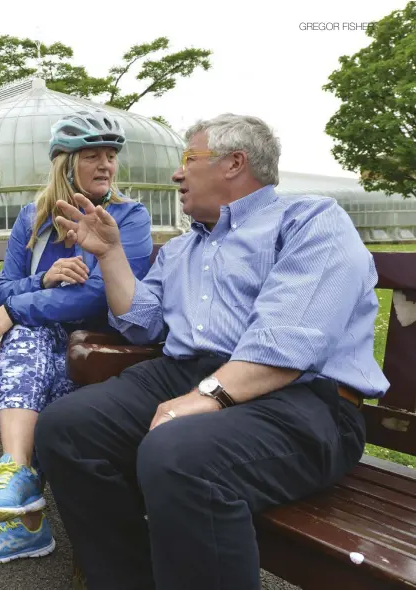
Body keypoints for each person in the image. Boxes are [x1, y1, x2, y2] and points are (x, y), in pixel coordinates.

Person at [34, 113, 390, 589]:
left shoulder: (309, 220)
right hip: (188, 373)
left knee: (178, 454)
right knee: (67, 426)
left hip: (302, 398)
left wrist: (208, 396)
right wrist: (110, 255)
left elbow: (290, 339)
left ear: (234, 163)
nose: (177, 173)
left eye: (188, 159)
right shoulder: (183, 249)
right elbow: (141, 325)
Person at [0, 109, 153, 565]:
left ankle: (20, 509)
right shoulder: (33, 218)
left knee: (31, 348)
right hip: (40, 342)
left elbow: (97, 297)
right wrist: (43, 279)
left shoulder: (129, 217)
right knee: (27, 341)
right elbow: (3, 286)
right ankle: (16, 481)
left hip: (99, 351)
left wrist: (13, 309)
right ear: (65, 163)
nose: (106, 165)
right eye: (93, 156)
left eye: (111, 157)